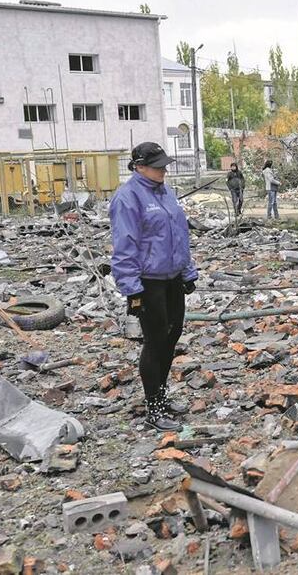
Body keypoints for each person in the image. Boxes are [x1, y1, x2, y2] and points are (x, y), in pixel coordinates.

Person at [109, 142, 198, 431]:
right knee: (155, 341)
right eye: (157, 166)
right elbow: (125, 246)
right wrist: (131, 289)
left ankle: (161, 394)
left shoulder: (166, 192)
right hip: (148, 283)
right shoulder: (128, 198)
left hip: (172, 278)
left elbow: (179, 235)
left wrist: (187, 271)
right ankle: (154, 408)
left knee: (172, 337)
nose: (163, 170)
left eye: (164, 165)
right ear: (139, 166)